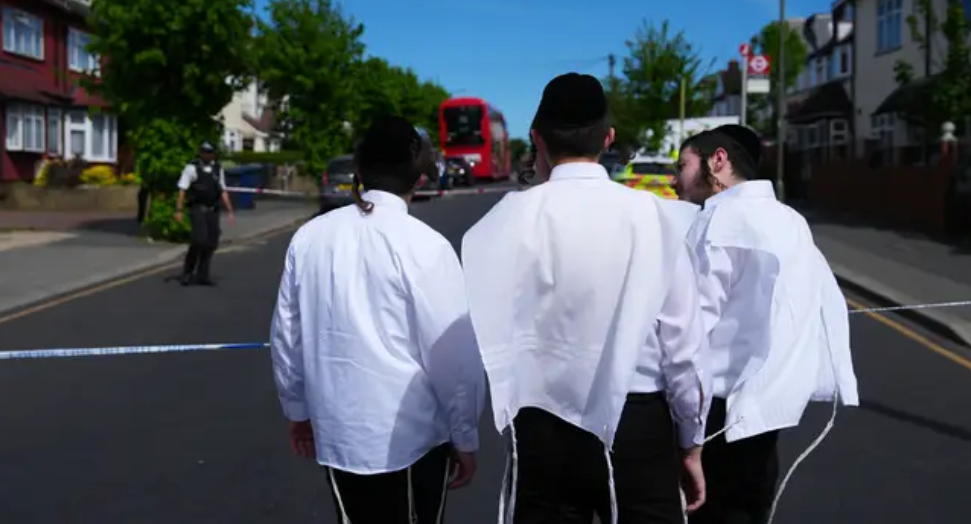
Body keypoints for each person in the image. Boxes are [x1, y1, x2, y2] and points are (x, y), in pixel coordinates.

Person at [461, 73, 711, 524]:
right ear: (608, 138)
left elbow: (485, 331)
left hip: (542, 422)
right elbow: (684, 353)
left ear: (537, 138)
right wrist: (690, 444)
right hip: (637, 424)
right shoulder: (655, 218)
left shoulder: (500, 221)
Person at [269, 116, 486, 524]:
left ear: (359, 169)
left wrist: (297, 409)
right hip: (413, 439)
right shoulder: (427, 245)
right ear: (419, 177)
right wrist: (465, 435)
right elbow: (454, 359)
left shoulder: (309, 238)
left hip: (339, 436)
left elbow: (287, 338)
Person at [672, 125, 859, 524]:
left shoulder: (716, 219)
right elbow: (819, 303)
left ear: (717, 160)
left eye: (682, 165)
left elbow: (688, 330)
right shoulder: (791, 220)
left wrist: (683, 431)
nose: (675, 179)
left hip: (714, 415)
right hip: (765, 410)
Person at [175, 142, 234, 286]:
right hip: (198, 209)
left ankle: (203, 275)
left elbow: (222, 190)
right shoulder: (192, 168)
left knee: (211, 243)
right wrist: (179, 210)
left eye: (210, 152)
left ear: (213, 154)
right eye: (204, 152)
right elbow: (182, 190)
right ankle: (188, 272)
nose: (207, 155)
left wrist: (229, 210)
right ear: (200, 153)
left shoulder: (217, 169)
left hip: (213, 210)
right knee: (198, 240)